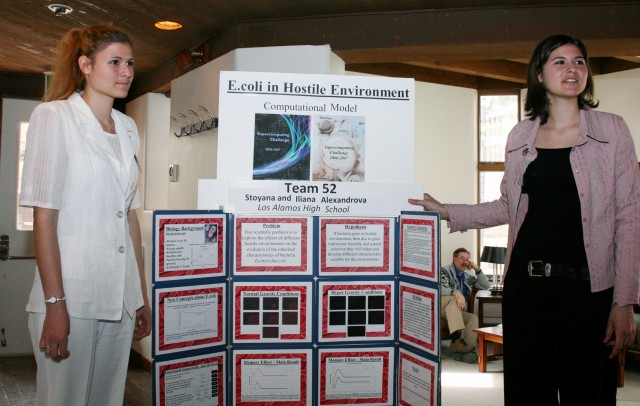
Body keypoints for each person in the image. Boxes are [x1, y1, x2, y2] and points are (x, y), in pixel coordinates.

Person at [409, 34, 639, 405]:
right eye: (560, 61)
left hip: (588, 295)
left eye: (579, 61)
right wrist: (450, 210)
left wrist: (624, 301)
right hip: (527, 292)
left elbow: (629, 217)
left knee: (589, 394)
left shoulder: (612, 130)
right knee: (528, 394)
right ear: (539, 74)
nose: (572, 68)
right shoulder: (521, 134)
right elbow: (508, 206)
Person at [19, 26, 151, 405]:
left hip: (119, 298)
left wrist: (138, 294)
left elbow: (129, 218)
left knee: (107, 400)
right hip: (71, 295)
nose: (125, 71)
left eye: (129, 63)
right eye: (114, 62)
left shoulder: (127, 128)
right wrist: (55, 305)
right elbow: (45, 219)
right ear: (85, 65)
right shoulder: (53, 117)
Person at [441, 248, 490, 363]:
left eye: (467, 260)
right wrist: (457, 293)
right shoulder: (443, 271)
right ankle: (456, 340)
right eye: (462, 259)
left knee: (473, 318)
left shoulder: (468, 278)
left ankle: (466, 350)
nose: (465, 262)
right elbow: (441, 288)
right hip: (440, 310)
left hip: (454, 313)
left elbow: (485, 285)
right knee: (453, 299)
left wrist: (477, 269)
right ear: (454, 259)